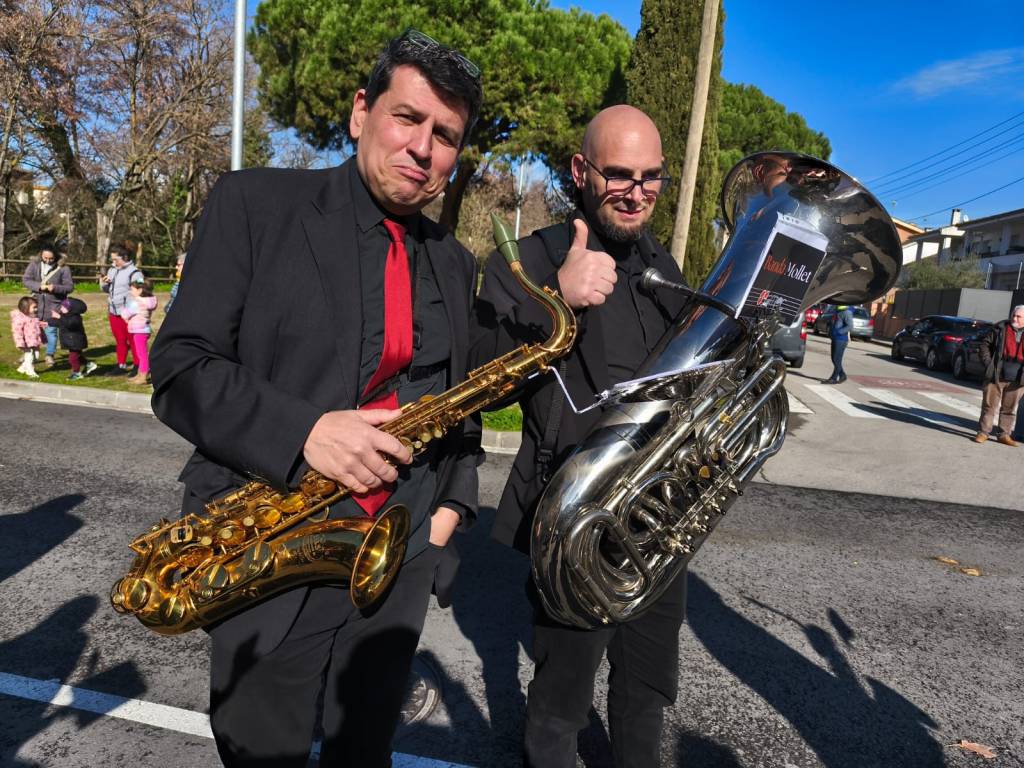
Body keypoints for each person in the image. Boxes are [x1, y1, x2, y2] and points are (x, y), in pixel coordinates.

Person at [149, 30, 482, 768]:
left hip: (396, 563)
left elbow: (461, 402)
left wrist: (451, 510)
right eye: (407, 117)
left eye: (446, 135)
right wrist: (304, 431)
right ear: (361, 112)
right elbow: (177, 366)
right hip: (270, 553)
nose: (423, 147)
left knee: (365, 756)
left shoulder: (456, 264)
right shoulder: (254, 204)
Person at [470, 105, 689, 768]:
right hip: (573, 521)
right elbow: (479, 373)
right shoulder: (531, 258)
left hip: (656, 523)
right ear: (580, 170)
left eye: (651, 176)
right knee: (560, 707)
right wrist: (557, 297)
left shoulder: (664, 264)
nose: (637, 190)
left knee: (645, 694)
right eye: (619, 173)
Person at [973, 304, 1024, 446]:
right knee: (989, 406)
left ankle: (1004, 435)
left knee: (1009, 409)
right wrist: (989, 364)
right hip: (996, 374)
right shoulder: (1000, 328)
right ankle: (983, 433)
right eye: (1014, 315)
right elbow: (984, 345)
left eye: (1019, 316)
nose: (1015, 318)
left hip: (1018, 378)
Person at [22, 245, 74, 366]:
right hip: (35, 305)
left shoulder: (64, 268)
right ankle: (30, 354)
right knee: (32, 332)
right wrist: (38, 287)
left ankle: (49, 355)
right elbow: (26, 280)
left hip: (54, 306)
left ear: (55, 257)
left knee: (51, 333)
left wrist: (55, 288)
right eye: (45, 258)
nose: (47, 260)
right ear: (41, 255)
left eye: (51, 258)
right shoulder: (34, 265)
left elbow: (69, 287)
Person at [100, 244, 143, 372]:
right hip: (113, 311)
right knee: (120, 340)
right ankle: (121, 365)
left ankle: (138, 365)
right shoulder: (112, 270)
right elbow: (107, 290)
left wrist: (130, 311)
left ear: (124, 257)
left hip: (129, 313)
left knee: (133, 339)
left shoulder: (135, 273)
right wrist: (103, 283)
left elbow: (140, 292)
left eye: (115, 259)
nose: (113, 262)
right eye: (112, 259)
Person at [120, 279, 158, 384]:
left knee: (142, 354)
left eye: (132, 289)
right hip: (144, 329)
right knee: (141, 353)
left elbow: (125, 314)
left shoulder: (137, 303)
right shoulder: (148, 301)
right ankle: (139, 374)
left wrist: (123, 308)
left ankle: (143, 376)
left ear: (140, 290)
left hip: (139, 331)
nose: (131, 292)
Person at [52, 297, 97, 380]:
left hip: (76, 341)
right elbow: (59, 323)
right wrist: (47, 323)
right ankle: (89, 364)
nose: (61, 308)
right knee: (78, 356)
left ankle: (77, 373)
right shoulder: (64, 316)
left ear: (71, 309)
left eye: (63, 307)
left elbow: (70, 324)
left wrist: (59, 317)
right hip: (72, 341)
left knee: (72, 358)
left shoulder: (75, 318)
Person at [10, 296, 45, 378]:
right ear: (25, 308)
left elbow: (36, 327)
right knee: (29, 356)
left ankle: (22, 368)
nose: (36, 309)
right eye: (34, 307)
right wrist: (20, 342)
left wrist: (41, 325)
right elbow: (17, 331)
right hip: (26, 342)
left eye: (36, 307)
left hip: (34, 341)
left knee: (36, 356)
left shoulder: (33, 316)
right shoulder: (20, 319)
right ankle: (30, 371)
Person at [823, 304, 853, 384]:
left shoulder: (847, 312)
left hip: (841, 339)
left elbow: (850, 326)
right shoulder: (837, 311)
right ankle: (842, 375)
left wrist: (839, 332)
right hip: (835, 338)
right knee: (834, 358)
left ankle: (834, 378)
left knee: (836, 359)